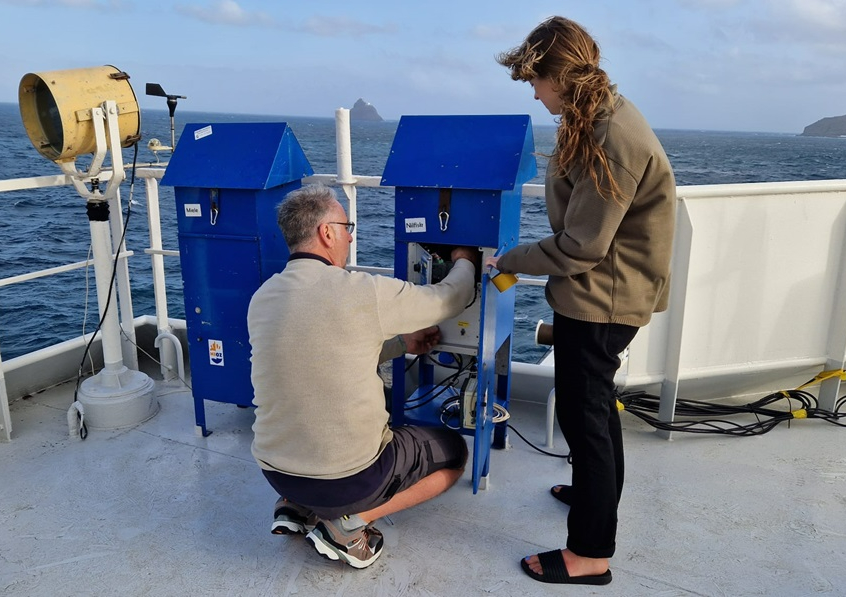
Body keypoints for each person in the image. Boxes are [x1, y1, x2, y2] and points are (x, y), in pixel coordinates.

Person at [490, 16, 676, 586]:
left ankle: (590, 554)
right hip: (601, 290)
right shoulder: (595, 115)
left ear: (558, 75)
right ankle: (598, 495)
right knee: (590, 407)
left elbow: (581, 247)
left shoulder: (611, 138)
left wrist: (509, 260)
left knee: (583, 413)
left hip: (603, 299)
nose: (535, 93)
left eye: (535, 82)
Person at [248, 184, 479, 569]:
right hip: (349, 481)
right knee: (454, 452)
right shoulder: (363, 291)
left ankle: (295, 509)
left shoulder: (264, 296)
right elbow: (449, 298)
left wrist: (402, 343)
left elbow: (321, 349)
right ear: (327, 233)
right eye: (347, 226)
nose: (351, 236)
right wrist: (465, 259)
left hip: (276, 473)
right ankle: (349, 524)